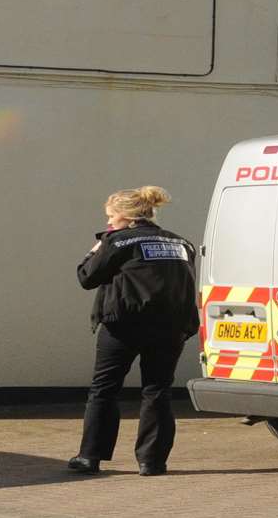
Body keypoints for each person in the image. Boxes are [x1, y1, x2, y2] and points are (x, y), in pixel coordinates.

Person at [69, 185, 199, 477]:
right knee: (157, 391)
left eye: (111, 217)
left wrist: (94, 250)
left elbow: (86, 277)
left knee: (104, 390)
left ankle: (90, 457)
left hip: (124, 325)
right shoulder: (182, 243)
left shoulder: (117, 241)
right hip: (171, 327)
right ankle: (152, 462)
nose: (108, 223)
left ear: (126, 217)